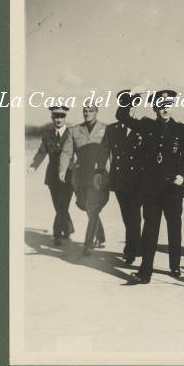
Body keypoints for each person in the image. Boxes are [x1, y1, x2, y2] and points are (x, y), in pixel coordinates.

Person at [117, 89, 184, 284]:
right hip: (151, 189)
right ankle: (145, 272)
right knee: (150, 229)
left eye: (168, 105)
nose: (165, 109)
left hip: (173, 188)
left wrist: (182, 176)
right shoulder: (146, 125)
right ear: (154, 107)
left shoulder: (183, 130)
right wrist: (131, 96)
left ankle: (175, 265)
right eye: (161, 105)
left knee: (174, 226)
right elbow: (121, 115)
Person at [101, 90, 146, 265]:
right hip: (119, 180)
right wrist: (99, 172)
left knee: (134, 215)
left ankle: (130, 250)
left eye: (133, 105)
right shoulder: (112, 129)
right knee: (127, 216)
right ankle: (136, 246)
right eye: (126, 106)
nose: (130, 110)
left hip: (138, 180)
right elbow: (105, 151)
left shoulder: (143, 127)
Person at [59, 105, 109, 256]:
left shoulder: (106, 129)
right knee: (87, 206)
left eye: (91, 111)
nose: (87, 114)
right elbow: (67, 152)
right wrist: (62, 169)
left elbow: (111, 152)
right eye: (85, 111)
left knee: (92, 207)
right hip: (80, 176)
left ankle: (88, 244)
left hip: (98, 174)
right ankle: (100, 235)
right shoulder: (74, 130)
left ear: (96, 112)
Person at [28, 106, 75, 245]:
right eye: (56, 116)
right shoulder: (47, 134)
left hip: (68, 175)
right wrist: (33, 165)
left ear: (65, 118)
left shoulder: (72, 133)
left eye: (61, 116)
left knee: (62, 205)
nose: (58, 119)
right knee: (58, 206)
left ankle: (57, 234)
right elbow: (42, 152)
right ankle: (68, 228)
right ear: (52, 118)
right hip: (52, 177)